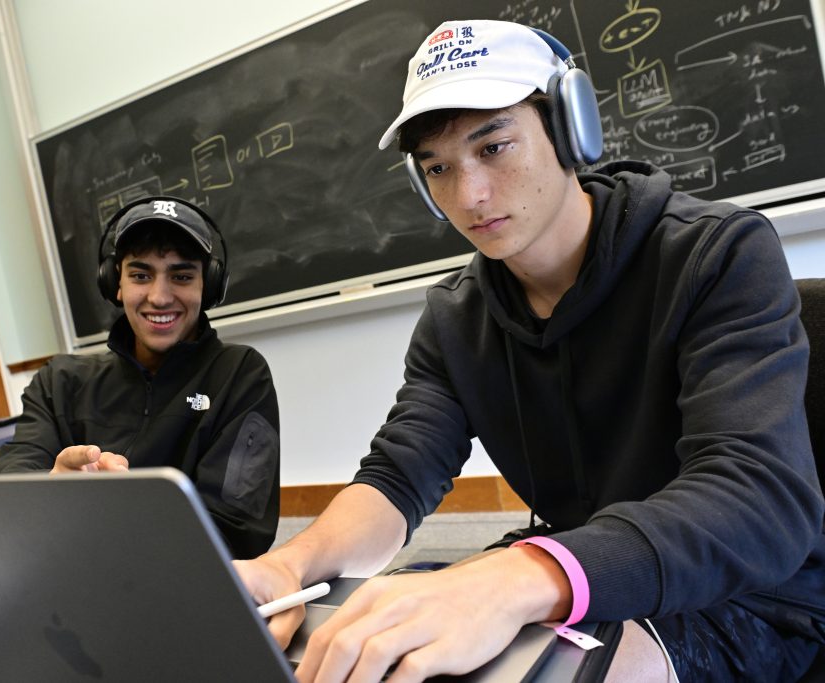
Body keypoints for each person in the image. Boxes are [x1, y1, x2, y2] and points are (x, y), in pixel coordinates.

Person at [235, 19, 825, 681]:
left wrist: (519, 573)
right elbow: (399, 476)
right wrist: (291, 562)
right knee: (381, 636)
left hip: (740, 589)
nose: (468, 195)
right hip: (565, 566)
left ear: (572, 129)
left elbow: (758, 498)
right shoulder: (455, 318)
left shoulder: (717, 254)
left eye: (494, 147)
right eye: (437, 168)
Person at [0, 196, 281, 559]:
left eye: (181, 276)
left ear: (207, 285)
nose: (159, 297)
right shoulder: (59, 382)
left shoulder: (239, 374)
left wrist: (84, 515)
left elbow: (238, 532)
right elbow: (8, 486)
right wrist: (51, 484)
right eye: (141, 275)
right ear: (115, 283)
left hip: (181, 586)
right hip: (69, 575)